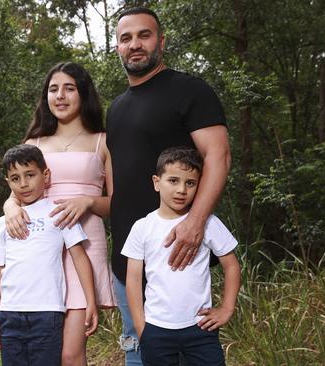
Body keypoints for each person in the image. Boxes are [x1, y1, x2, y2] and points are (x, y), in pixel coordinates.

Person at [107, 7, 232, 364]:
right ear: (117, 47)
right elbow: (120, 186)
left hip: (178, 256)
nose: (135, 44)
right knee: (136, 349)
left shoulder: (189, 90)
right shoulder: (116, 108)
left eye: (144, 35)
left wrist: (194, 225)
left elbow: (219, 157)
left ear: (161, 41)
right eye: (125, 38)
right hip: (129, 260)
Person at [3, 62, 116, 365]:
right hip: (42, 252)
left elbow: (117, 204)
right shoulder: (34, 143)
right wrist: (9, 207)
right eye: (54, 89)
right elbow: (15, 193)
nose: (60, 96)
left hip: (84, 247)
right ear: (46, 97)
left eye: (69, 88)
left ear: (83, 94)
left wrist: (89, 202)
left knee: (70, 352)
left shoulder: (103, 141)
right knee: (46, 352)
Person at [122, 147, 241, 366]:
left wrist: (226, 308)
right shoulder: (142, 227)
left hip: (200, 327)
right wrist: (141, 327)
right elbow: (133, 279)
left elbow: (231, 265)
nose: (181, 190)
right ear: (157, 182)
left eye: (190, 183)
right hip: (156, 328)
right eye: (173, 181)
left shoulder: (207, 223)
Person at [0, 144, 99, 366]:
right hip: (10, 313)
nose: (24, 184)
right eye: (15, 178)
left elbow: (79, 257)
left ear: (45, 176)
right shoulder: (3, 223)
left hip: (47, 314)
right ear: (8, 183)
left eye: (30, 175)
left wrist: (90, 302)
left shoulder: (58, 213)